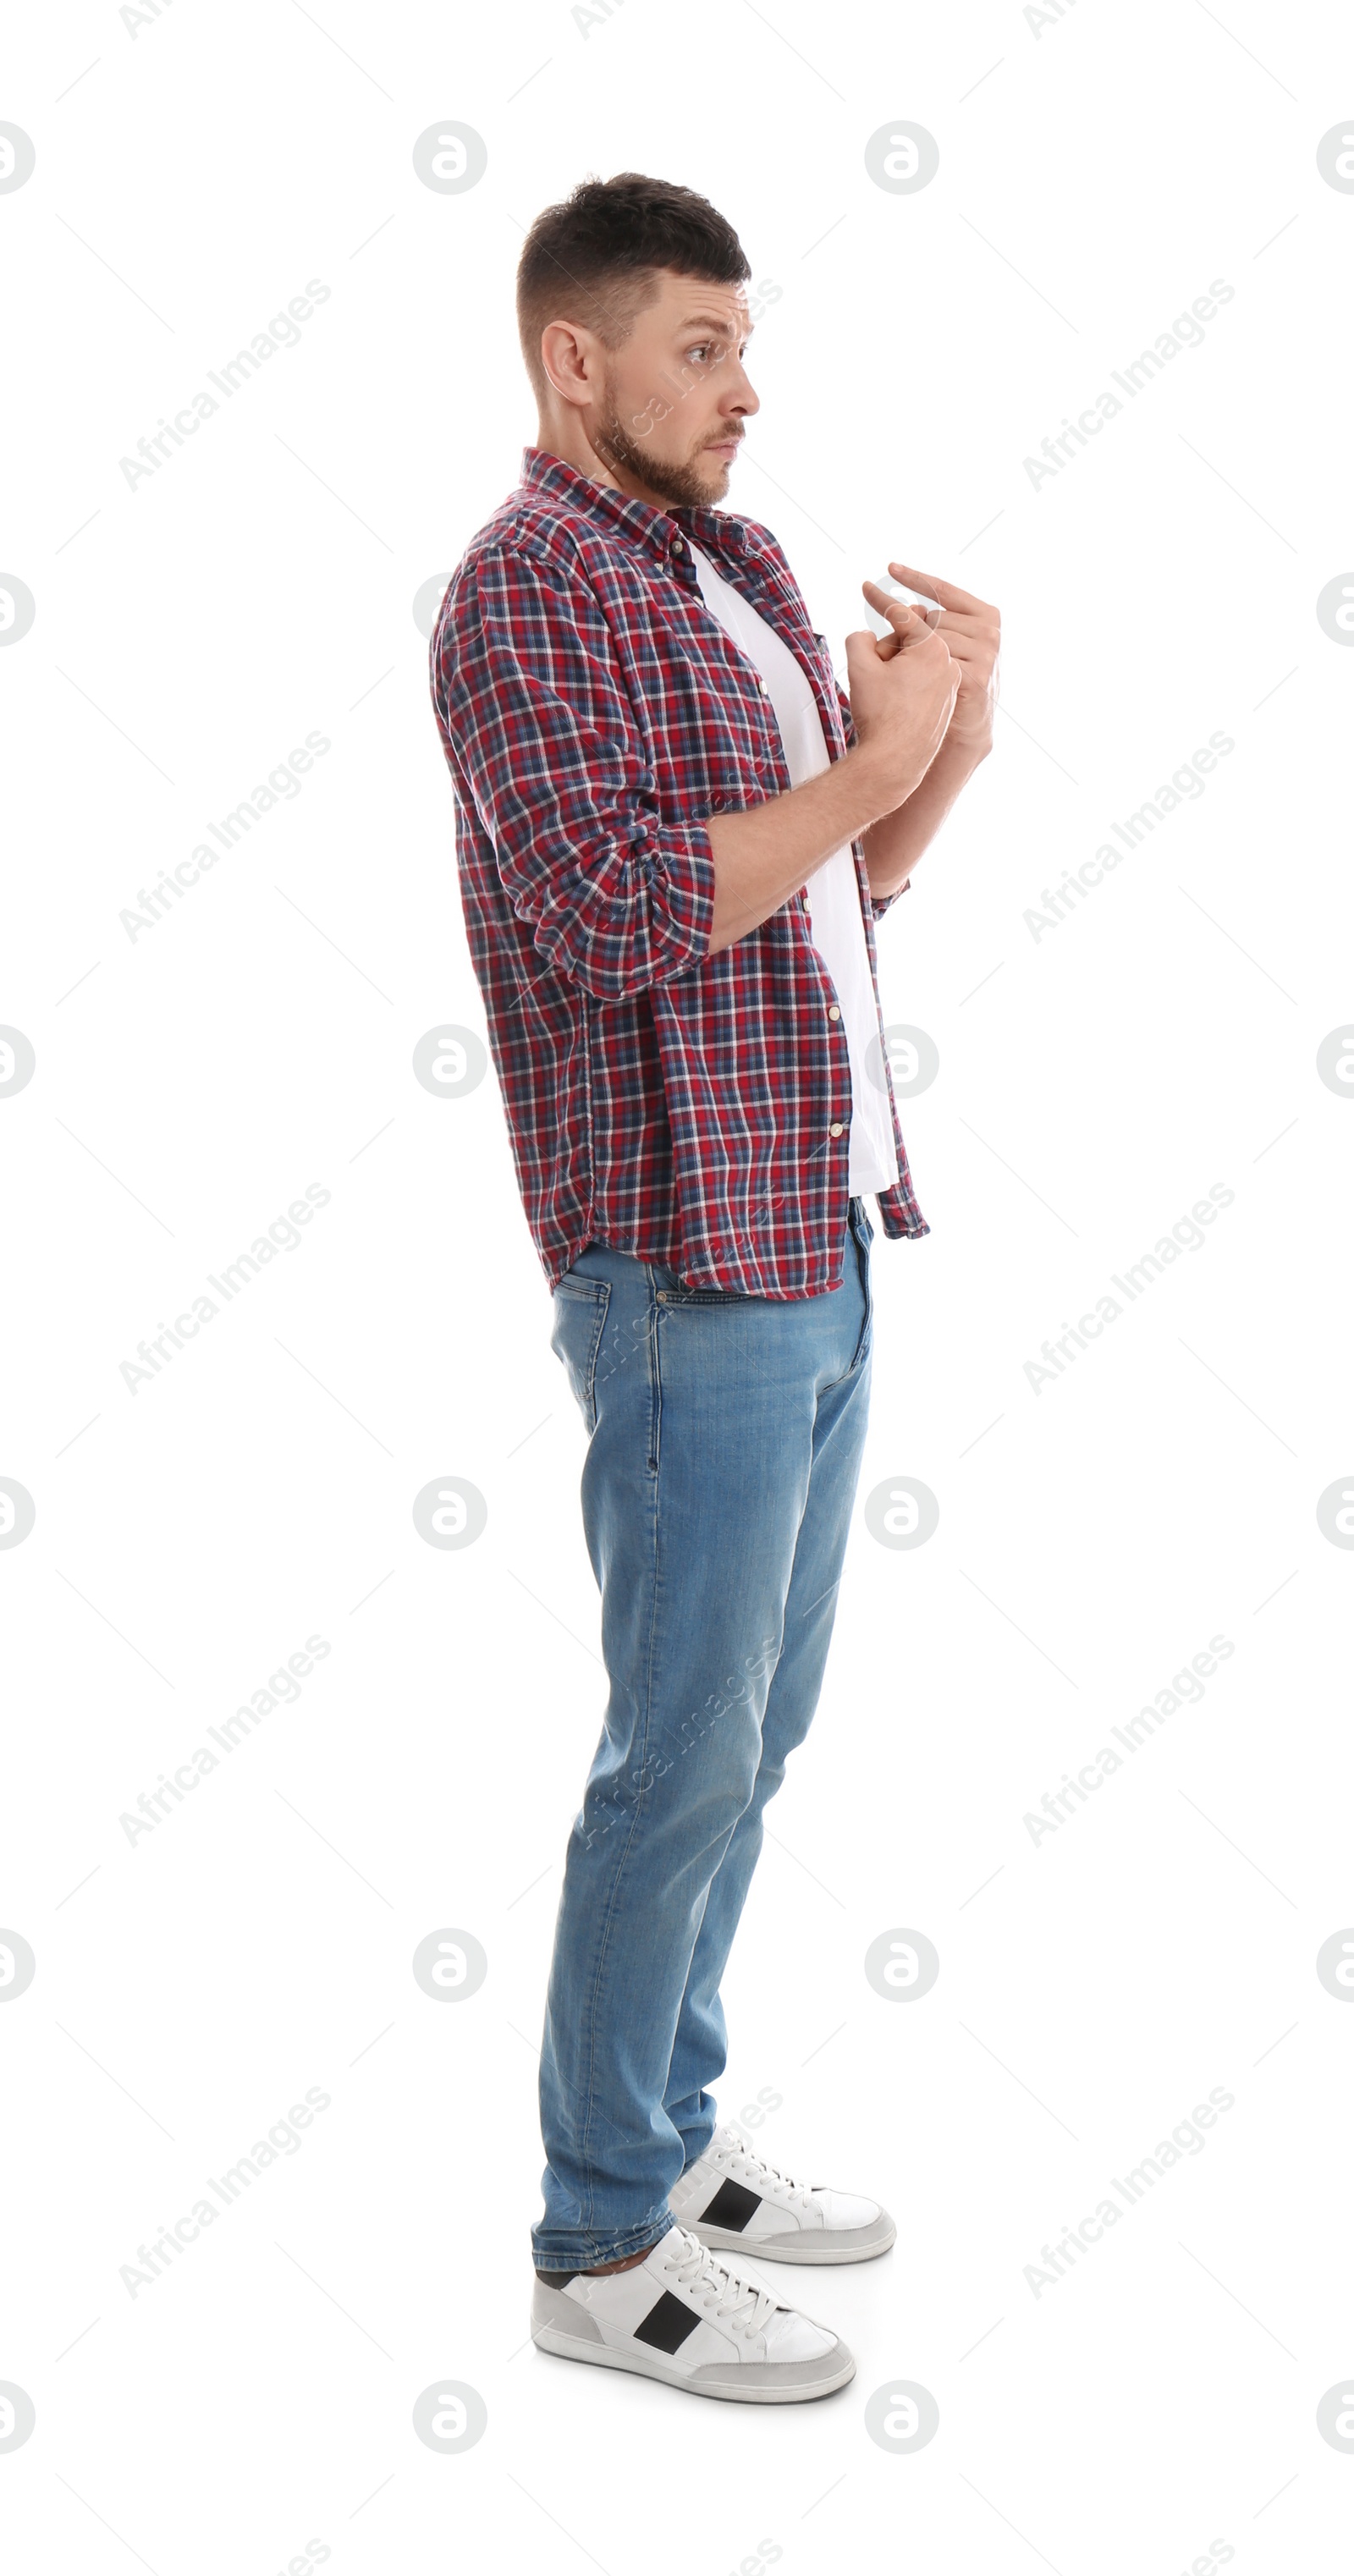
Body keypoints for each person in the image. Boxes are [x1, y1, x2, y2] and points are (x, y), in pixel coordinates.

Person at [429, 170, 999, 2404]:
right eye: (698, 348)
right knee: (677, 1756)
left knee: (751, 1734)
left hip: (817, 1218)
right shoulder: (521, 596)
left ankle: (660, 2125)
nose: (744, 390)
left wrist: (940, 752)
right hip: (679, 1257)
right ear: (577, 359)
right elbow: (615, 918)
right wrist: (869, 755)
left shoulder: (731, 563)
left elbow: (834, 891)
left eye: (746, 345)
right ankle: (596, 2236)